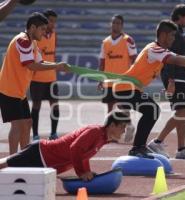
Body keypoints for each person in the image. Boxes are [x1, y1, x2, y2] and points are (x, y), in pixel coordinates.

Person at [110, 19, 185, 158]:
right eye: (172, 35)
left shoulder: (160, 51)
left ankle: (138, 145)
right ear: (163, 35)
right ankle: (138, 147)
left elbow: (179, 57)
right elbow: (177, 61)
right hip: (124, 88)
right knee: (152, 110)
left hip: (130, 89)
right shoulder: (154, 49)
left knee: (152, 110)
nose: (174, 38)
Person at [0, 12, 69, 155]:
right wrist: (56, 66)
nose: (45, 32)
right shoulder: (22, 41)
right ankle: (12, 160)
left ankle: (23, 157)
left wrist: (58, 65)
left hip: (19, 92)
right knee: (17, 125)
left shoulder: (32, 42)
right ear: (32, 27)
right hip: (8, 90)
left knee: (27, 123)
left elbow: (40, 62)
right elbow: (31, 65)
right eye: (42, 29)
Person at [0, 110, 131, 181]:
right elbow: (75, 148)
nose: (124, 131)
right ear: (112, 125)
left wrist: (86, 171)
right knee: (4, 165)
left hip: (45, 164)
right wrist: (81, 173)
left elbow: (83, 156)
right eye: (122, 127)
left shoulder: (103, 138)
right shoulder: (95, 131)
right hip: (40, 153)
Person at [147, 4, 185, 160]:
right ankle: (157, 141)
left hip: (181, 77)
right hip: (176, 77)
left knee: (182, 112)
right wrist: (170, 80)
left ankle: (181, 149)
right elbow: (168, 57)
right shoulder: (173, 33)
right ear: (180, 17)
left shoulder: (179, 33)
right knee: (182, 111)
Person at [98, 14, 137, 143]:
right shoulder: (105, 42)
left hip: (123, 81)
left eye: (119, 23)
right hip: (109, 81)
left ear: (122, 25)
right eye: (114, 23)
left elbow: (134, 60)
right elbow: (102, 62)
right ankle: (110, 135)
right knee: (110, 108)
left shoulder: (128, 40)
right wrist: (100, 79)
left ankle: (129, 126)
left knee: (124, 107)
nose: (116, 25)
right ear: (111, 24)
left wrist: (134, 77)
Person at [30, 9, 60, 141]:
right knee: (36, 105)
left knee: (55, 105)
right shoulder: (36, 37)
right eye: (50, 21)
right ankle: (35, 134)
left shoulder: (54, 35)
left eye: (54, 21)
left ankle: (54, 133)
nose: (53, 24)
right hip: (37, 78)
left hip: (51, 78)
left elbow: (53, 53)